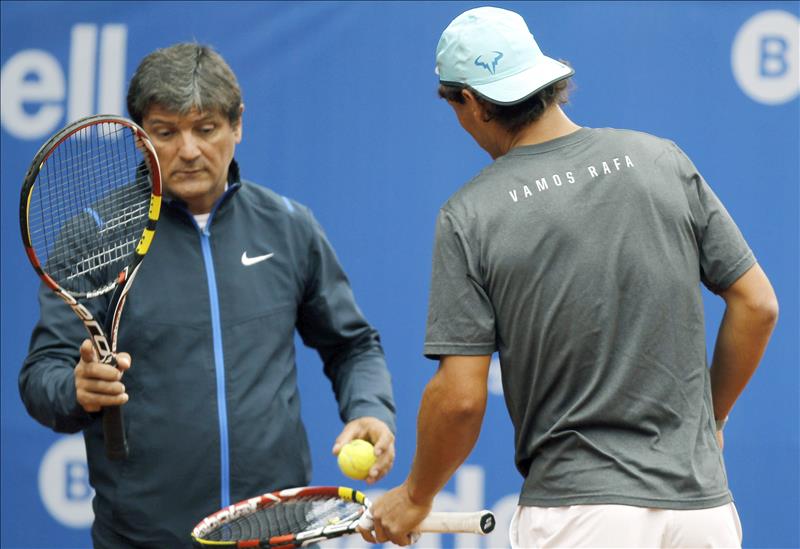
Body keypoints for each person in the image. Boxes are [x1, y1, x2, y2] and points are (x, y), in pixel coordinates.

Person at [362, 6, 778, 548]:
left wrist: (416, 495)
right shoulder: (662, 160)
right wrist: (709, 423)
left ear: (471, 102)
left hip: (579, 516)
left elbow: (461, 398)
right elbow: (757, 305)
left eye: (455, 106)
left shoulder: (468, 216)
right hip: (702, 514)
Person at [19, 43, 396, 548]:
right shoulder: (93, 239)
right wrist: (76, 389)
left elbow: (352, 344)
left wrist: (369, 407)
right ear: (140, 138)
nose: (189, 150)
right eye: (165, 132)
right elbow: (41, 375)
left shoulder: (289, 227)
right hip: (142, 538)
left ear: (237, 125)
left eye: (206, 128)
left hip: (276, 533)